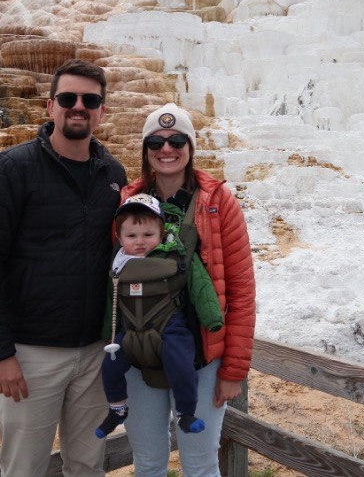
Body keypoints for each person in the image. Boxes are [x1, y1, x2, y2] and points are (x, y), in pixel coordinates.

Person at [0, 59, 127, 477]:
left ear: (101, 110)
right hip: (30, 355)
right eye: (68, 98)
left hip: (94, 352)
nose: (79, 107)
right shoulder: (13, 168)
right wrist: (0, 355)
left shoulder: (113, 173)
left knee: (89, 465)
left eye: (90, 100)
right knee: (24, 468)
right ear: (50, 106)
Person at [119, 102, 256, 477]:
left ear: (191, 147)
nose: (167, 148)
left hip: (202, 356)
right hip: (140, 349)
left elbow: (242, 290)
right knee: (147, 462)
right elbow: (111, 282)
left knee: (200, 462)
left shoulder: (218, 201)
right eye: (156, 142)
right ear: (145, 151)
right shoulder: (126, 201)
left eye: (177, 139)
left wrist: (233, 370)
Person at [95, 193, 223, 439]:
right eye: (131, 236)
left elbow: (201, 285)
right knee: (110, 365)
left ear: (162, 235)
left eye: (148, 235)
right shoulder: (118, 263)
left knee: (181, 363)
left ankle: (186, 412)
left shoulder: (174, 254)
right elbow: (111, 300)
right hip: (131, 329)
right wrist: (107, 333)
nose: (140, 242)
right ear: (119, 237)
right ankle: (117, 408)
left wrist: (212, 317)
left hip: (170, 326)